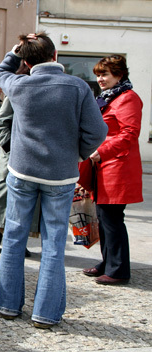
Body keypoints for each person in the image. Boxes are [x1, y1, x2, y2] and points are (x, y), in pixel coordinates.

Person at [0, 32, 107, 328]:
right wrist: (77, 154)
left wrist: (15, 51)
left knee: (14, 237)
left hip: (22, 171)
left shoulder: (20, 84)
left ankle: (8, 305)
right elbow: (98, 132)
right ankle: (45, 313)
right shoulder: (78, 87)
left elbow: (0, 73)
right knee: (54, 243)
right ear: (55, 56)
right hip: (61, 175)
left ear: (27, 62)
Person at [81, 55, 143, 285]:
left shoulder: (128, 98)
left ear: (119, 74)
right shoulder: (110, 97)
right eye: (98, 74)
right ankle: (108, 263)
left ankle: (118, 270)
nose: (100, 79)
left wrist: (101, 152)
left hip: (117, 167)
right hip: (104, 166)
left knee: (113, 219)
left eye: (105, 74)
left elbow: (128, 134)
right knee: (104, 218)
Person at [0, 63, 35, 257]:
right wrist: (8, 146)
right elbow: (0, 123)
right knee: (1, 190)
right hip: (11, 151)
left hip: (32, 153)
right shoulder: (16, 90)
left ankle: (18, 240)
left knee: (26, 197)